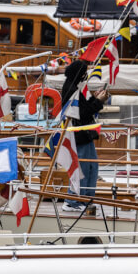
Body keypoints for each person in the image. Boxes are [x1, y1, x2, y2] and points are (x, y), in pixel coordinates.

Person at [59, 59, 107, 214]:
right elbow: (83, 114)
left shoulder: (73, 88)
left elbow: (84, 109)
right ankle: (72, 201)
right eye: (84, 73)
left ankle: (85, 199)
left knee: (92, 167)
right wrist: (98, 101)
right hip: (79, 135)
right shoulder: (70, 90)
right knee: (82, 168)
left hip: (84, 135)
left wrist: (95, 99)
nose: (85, 76)